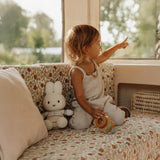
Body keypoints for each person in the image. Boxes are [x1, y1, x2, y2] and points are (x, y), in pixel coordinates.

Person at [65, 24, 130, 130]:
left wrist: (118, 46)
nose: (100, 47)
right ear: (86, 49)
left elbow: (105, 55)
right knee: (79, 125)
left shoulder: (93, 62)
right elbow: (80, 97)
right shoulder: (76, 71)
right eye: (98, 44)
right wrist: (92, 111)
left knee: (119, 119)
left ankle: (119, 110)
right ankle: (77, 116)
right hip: (84, 105)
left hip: (101, 102)